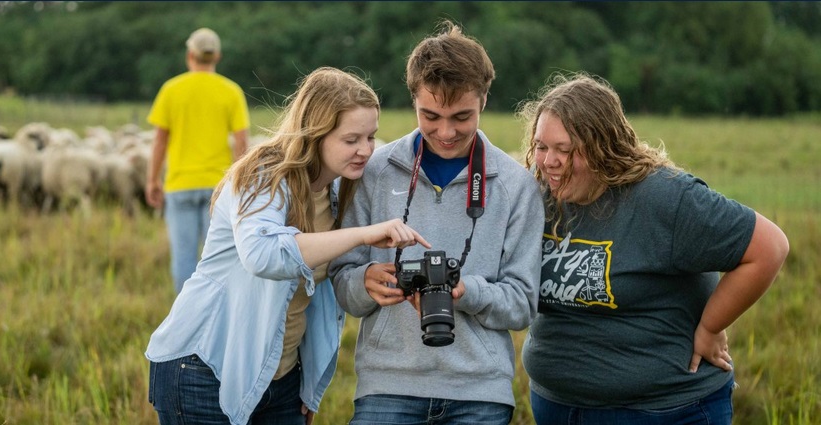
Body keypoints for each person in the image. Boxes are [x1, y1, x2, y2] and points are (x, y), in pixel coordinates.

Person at [146, 67, 431, 425]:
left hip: (280, 379)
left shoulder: (337, 190)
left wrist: (307, 384)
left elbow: (318, 292)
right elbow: (264, 254)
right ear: (316, 134)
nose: (365, 150)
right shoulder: (263, 175)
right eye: (351, 139)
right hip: (205, 368)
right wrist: (363, 234)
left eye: (371, 137)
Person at [518, 73, 790, 424]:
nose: (548, 162)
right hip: (557, 406)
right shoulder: (536, 195)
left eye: (565, 150)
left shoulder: (663, 198)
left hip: (664, 410)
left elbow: (769, 247)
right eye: (541, 146)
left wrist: (710, 327)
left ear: (603, 147)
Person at [328, 21, 544, 424]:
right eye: (430, 115)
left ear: (484, 99)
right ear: (413, 100)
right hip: (387, 387)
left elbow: (522, 305)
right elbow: (342, 284)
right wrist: (366, 281)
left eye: (462, 116)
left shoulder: (516, 186)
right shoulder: (371, 172)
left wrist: (466, 292)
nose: (446, 132)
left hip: (480, 392)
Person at [146, 27, 251, 293]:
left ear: (190, 54)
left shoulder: (171, 89)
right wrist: (240, 183)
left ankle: (186, 318)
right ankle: (218, 314)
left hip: (180, 184)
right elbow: (241, 143)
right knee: (219, 258)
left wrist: (152, 180)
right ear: (217, 56)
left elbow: (160, 140)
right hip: (219, 187)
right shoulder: (231, 91)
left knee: (183, 258)